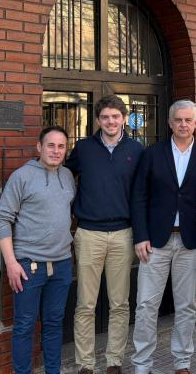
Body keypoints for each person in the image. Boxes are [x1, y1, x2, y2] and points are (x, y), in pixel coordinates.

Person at [131, 100, 196, 374]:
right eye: (178, 120)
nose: (183, 124)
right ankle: (142, 364)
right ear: (170, 123)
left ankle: (182, 362)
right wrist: (140, 236)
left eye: (188, 120)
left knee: (187, 306)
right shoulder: (152, 153)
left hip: (190, 242)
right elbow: (139, 196)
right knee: (146, 305)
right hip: (155, 242)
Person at [66, 95, 144, 374]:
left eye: (115, 116)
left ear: (124, 118)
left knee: (120, 303)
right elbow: (63, 178)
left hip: (123, 234)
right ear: (98, 120)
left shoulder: (136, 149)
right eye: (105, 117)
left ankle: (114, 361)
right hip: (89, 234)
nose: (110, 122)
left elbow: (142, 194)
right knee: (85, 304)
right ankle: (85, 364)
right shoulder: (83, 148)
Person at [0, 126, 75, 374]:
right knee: (24, 326)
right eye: (50, 145)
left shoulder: (67, 176)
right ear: (39, 147)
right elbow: (2, 220)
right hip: (29, 266)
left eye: (61, 146)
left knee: (54, 325)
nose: (56, 151)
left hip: (62, 264)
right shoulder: (22, 177)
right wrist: (11, 263)